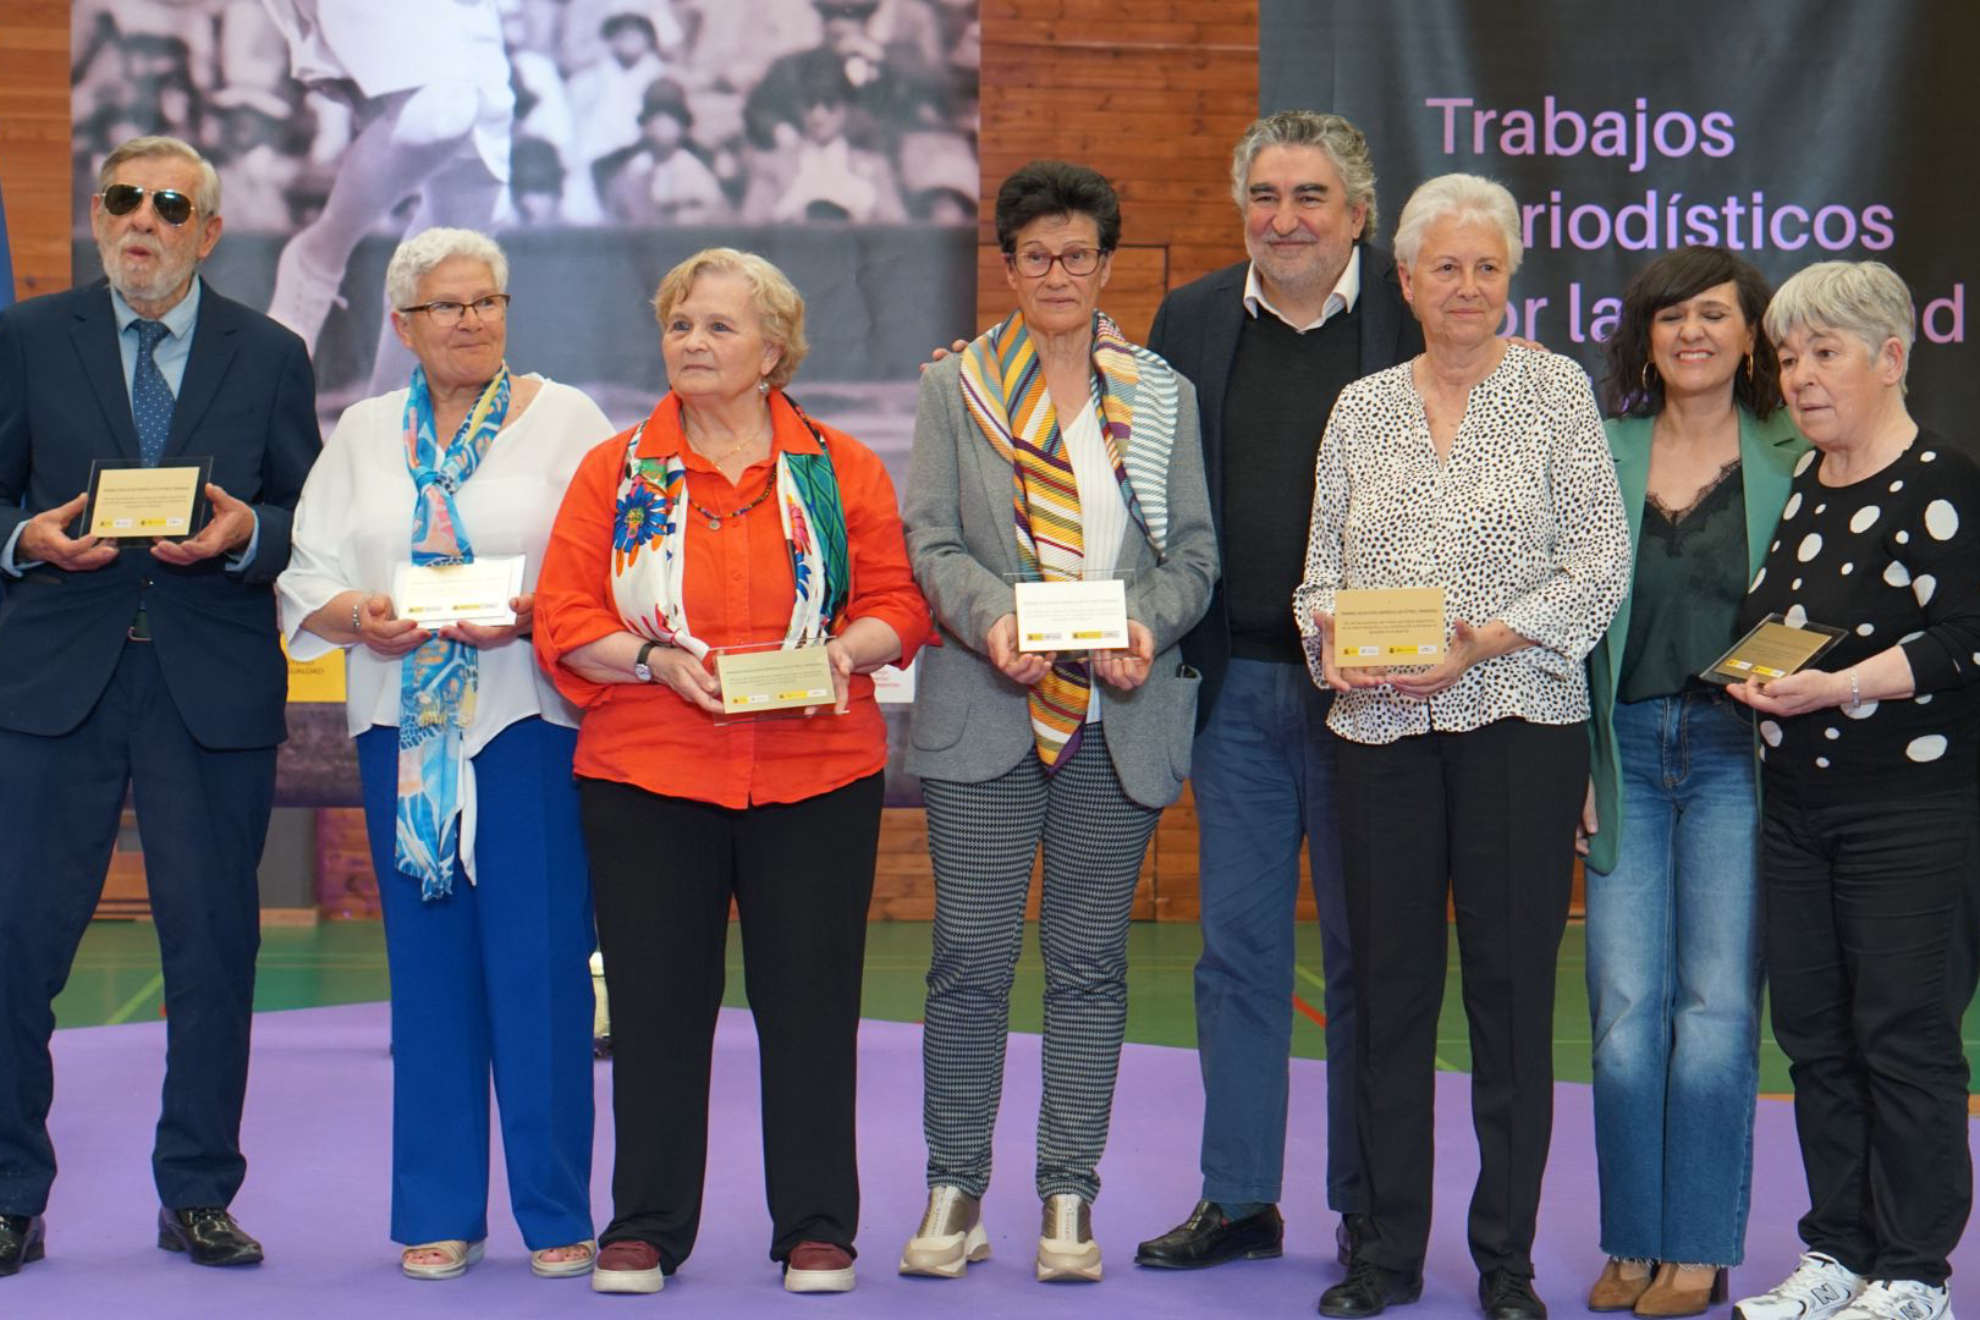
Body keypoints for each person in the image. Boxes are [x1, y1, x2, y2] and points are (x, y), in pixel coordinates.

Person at [533, 247, 929, 1296]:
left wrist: (842, 655)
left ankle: (815, 1226)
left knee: (811, 1006)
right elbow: (567, 617)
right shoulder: (614, 472)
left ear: (774, 350)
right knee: (656, 1009)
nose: (692, 343)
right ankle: (646, 1226)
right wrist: (655, 659)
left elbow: (897, 601)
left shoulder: (842, 468)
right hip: (647, 771)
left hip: (816, 772)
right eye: (679, 325)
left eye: (717, 326)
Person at [1294, 173, 1630, 1320]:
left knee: (1509, 1000)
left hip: (1520, 730)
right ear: (1406, 280)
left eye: (1487, 267)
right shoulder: (1361, 408)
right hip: (1377, 733)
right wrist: (1328, 646)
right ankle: (1380, 1256)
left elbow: (1598, 564)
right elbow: (1318, 581)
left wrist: (1478, 645)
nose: (1468, 287)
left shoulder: (1555, 393)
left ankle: (1506, 1263)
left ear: (1510, 279)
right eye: (1446, 266)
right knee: (1384, 998)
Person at [0, 135, 320, 1276]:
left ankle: (196, 1193)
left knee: (214, 949)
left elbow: (299, 511)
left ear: (208, 229)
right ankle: (7, 1195)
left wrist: (250, 537)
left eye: (168, 204)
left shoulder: (272, 353)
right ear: (98, 215)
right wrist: (22, 537)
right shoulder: (28, 337)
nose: (141, 219)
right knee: (15, 948)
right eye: (122, 199)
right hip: (52, 684)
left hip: (208, 688)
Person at [898, 160, 1217, 1285]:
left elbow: (1196, 558)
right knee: (970, 962)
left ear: (1106, 264)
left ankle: (1068, 1197)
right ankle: (954, 1189)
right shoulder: (958, 387)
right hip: (990, 702)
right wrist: (992, 623)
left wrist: (1143, 624)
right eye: (1035, 256)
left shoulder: (1160, 393)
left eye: (1078, 255)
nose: (1057, 274)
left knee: (1087, 966)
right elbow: (930, 543)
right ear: (1009, 265)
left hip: (1114, 715)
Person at [276, 227, 612, 1282]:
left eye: (487, 302)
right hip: (404, 739)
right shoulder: (366, 432)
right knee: (428, 978)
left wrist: (527, 615)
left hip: (529, 730)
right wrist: (357, 616)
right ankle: (437, 1210)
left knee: (545, 972)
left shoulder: (571, 421)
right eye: (447, 307)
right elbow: (307, 572)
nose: (471, 321)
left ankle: (557, 1211)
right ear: (403, 325)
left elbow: (610, 565)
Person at [1132, 108, 1420, 1277]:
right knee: (1236, 958)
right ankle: (1240, 1194)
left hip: (1378, 693)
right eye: (1265, 196)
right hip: (1234, 688)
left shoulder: (1412, 321)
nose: (1284, 219)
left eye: (1310, 198)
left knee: (1367, 958)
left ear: (1359, 213)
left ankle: (1369, 1208)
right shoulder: (1190, 319)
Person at [1727, 261, 1980, 1320]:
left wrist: (1839, 686)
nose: (1800, 376)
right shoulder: (1804, 492)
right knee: (1817, 1039)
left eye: (1824, 352)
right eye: (1787, 357)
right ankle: (1837, 1252)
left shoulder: (1943, 486)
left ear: (1891, 356)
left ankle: (1915, 1269)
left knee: (1905, 1040)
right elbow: (1783, 631)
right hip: (1797, 813)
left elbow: (1965, 640)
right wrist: (1755, 675)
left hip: (1910, 818)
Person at [1575, 246, 1804, 1318]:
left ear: (1752, 335)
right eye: (1671, 317)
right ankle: (1632, 1240)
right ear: (1646, 337)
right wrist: (1574, 762)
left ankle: (1701, 1250)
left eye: (1714, 315)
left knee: (1715, 1010)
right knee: (1623, 1007)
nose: (1691, 333)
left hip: (1734, 761)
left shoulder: (1796, 457)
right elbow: (1567, 624)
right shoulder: (1601, 448)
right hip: (1620, 750)